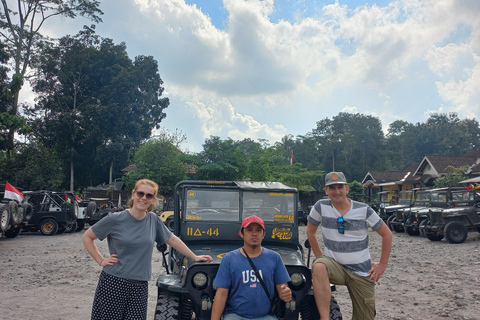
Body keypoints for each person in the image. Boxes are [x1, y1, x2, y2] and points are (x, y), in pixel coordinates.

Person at [82, 179, 213, 320]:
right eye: (140, 193)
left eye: (149, 195)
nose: (143, 198)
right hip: (114, 282)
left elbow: (172, 239)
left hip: (139, 285)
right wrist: (101, 260)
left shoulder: (153, 220)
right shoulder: (115, 219)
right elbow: (87, 237)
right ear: (133, 195)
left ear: (152, 200)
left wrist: (194, 257)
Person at [306, 172, 392, 320]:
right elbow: (310, 231)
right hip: (335, 266)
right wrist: (320, 257)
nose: (336, 191)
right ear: (326, 191)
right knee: (319, 266)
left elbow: (387, 234)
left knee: (365, 316)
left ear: (347, 188)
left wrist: (382, 264)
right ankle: (324, 318)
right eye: (331, 188)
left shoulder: (363, 209)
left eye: (340, 187)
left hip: (361, 271)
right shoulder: (320, 207)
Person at [211, 215, 292, 320]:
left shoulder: (274, 258)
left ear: (264, 234)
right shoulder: (229, 259)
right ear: (241, 233)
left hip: (266, 316)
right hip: (235, 315)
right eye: (249, 230)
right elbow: (221, 295)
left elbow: (283, 289)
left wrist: (286, 293)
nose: (254, 234)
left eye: (258, 230)